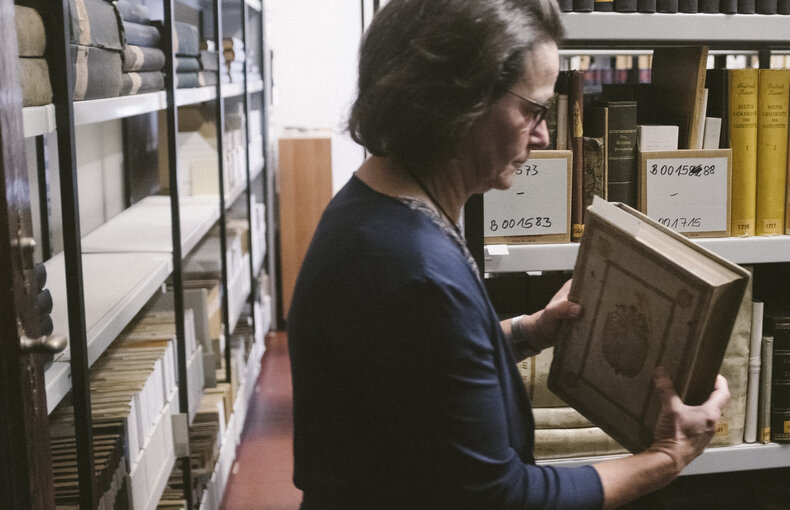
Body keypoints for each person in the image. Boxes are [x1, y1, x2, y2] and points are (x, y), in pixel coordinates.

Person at [286, 0, 730, 508]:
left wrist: (528, 331)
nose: (543, 137)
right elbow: (503, 497)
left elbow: (417, 367)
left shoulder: (379, 209)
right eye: (533, 110)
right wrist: (667, 457)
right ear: (460, 103)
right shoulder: (410, 268)